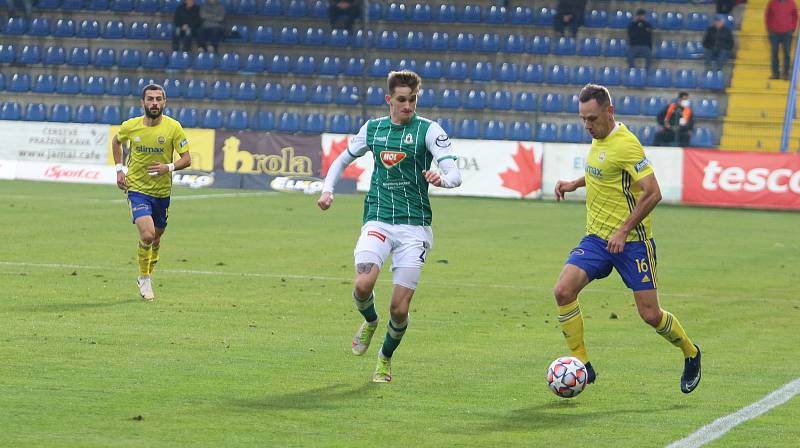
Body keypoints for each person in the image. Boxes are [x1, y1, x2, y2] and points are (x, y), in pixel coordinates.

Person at [552, 84, 702, 394]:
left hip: (633, 242)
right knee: (563, 291)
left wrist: (623, 230)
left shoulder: (627, 144)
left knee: (650, 314)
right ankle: (584, 366)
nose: (587, 126)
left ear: (610, 111)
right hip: (596, 238)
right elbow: (602, 171)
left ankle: (690, 352)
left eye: (592, 119)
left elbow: (653, 193)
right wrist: (574, 183)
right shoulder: (599, 138)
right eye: (583, 119)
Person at [317, 70, 462, 383]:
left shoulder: (428, 130)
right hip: (379, 219)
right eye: (401, 100)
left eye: (412, 100)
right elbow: (342, 160)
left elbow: (454, 173)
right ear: (389, 100)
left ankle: (384, 358)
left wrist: (442, 179)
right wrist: (327, 189)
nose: (408, 106)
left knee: (399, 309)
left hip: (415, 227)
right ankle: (370, 321)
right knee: (361, 286)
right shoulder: (373, 129)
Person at [112, 84, 192, 301]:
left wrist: (169, 167)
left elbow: (187, 159)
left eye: (158, 99)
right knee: (146, 235)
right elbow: (116, 142)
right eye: (150, 99)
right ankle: (144, 278)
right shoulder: (131, 126)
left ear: (164, 102)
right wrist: (120, 170)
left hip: (162, 192)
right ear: (143, 102)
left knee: (156, 239)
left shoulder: (173, 128)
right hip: (137, 189)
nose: (154, 103)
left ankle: (148, 273)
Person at [765, 0, 798, 79]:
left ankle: (786, 74)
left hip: (787, 33)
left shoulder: (792, 3)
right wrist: (769, 28)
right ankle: (775, 74)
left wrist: (792, 28)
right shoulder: (772, 3)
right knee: (774, 53)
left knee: (787, 54)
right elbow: (767, 15)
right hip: (774, 33)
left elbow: (795, 16)